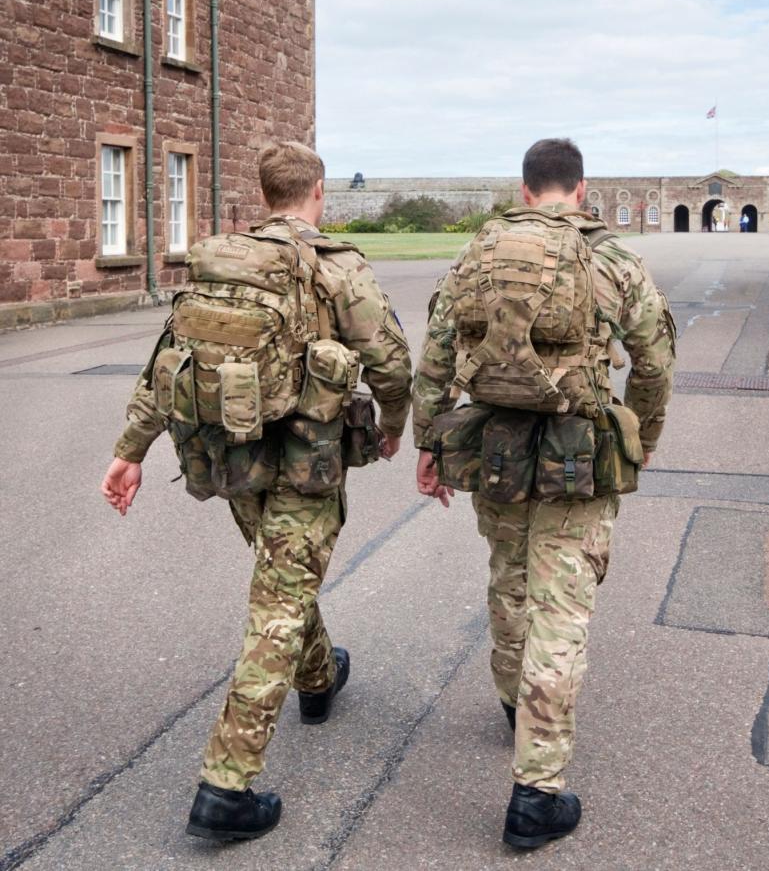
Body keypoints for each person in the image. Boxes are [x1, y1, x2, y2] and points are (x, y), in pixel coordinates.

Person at [101, 142, 412, 841]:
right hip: (307, 461)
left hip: (231, 457)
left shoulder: (222, 266)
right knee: (279, 600)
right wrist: (393, 425)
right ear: (318, 194)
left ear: (265, 193)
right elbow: (390, 359)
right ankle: (225, 787)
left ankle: (318, 679)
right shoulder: (335, 265)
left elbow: (166, 366)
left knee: (283, 581)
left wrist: (130, 453)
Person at [411, 138, 675, 849]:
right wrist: (642, 438)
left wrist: (429, 446)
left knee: (509, 578)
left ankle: (511, 703)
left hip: (494, 448)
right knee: (562, 609)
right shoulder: (611, 257)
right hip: (578, 455)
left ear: (526, 191)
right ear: (580, 191)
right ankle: (537, 792)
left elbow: (435, 358)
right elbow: (653, 361)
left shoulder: (482, 250)